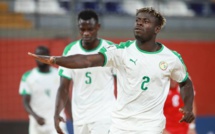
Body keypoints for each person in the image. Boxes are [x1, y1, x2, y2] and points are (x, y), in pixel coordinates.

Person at [28, 7, 195, 134]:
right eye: (137, 20)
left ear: (157, 29)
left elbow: (185, 82)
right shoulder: (122, 51)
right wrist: (55, 60)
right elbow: (86, 60)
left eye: (145, 21)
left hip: (150, 126)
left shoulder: (171, 58)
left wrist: (187, 106)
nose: (139, 23)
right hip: (120, 126)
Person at [53, 9, 116, 134]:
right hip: (80, 116)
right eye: (82, 29)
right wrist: (57, 113)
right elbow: (63, 87)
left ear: (98, 27)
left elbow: (123, 83)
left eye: (90, 29)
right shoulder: (70, 50)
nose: (86, 33)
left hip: (105, 116)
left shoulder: (111, 49)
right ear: (78, 28)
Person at [19, 46, 70, 134]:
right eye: (38, 55)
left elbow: (65, 97)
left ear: (49, 57)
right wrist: (35, 117)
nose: (40, 58)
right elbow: (25, 102)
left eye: (43, 55)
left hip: (57, 122)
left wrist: (73, 117)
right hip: (37, 123)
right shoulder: (28, 77)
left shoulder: (59, 74)